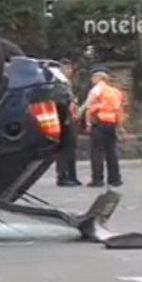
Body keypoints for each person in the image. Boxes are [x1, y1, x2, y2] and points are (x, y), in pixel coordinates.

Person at [78, 65, 126, 188]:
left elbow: (88, 106)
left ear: (99, 77)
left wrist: (84, 119)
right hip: (111, 124)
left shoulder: (96, 90)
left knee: (97, 153)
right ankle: (115, 179)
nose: (91, 79)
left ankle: (97, 179)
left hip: (98, 123)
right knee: (111, 152)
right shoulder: (115, 92)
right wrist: (119, 125)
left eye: (93, 76)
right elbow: (119, 110)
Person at [55, 58, 82, 187]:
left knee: (71, 148)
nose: (70, 71)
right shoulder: (58, 83)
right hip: (63, 119)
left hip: (69, 118)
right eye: (67, 68)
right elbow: (60, 101)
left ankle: (72, 175)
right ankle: (63, 176)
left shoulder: (66, 83)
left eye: (71, 68)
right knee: (64, 148)